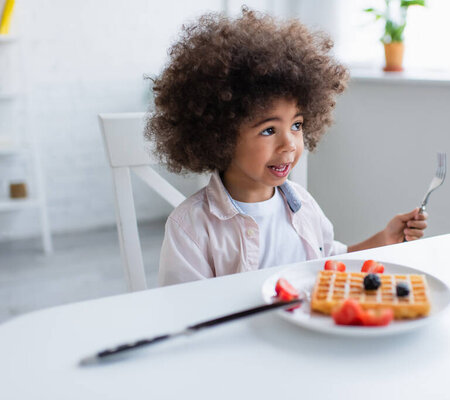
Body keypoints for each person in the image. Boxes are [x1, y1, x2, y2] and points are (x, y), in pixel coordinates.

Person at [145, 8, 428, 286]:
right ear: (220, 135)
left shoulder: (303, 206)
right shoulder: (191, 227)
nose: (289, 144)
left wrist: (385, 239)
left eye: (297, 125)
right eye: (269, 130)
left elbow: (331, 264)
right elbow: (182, 310)